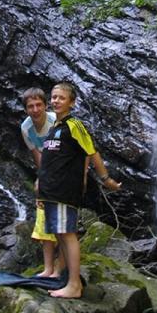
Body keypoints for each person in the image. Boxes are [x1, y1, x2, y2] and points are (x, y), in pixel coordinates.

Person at [38, 81, 121, 298]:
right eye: (54, 97)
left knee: (68, 234)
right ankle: (64, 276)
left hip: (64, 191)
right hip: (51, 191)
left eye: (61, 98)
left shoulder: (74, 125)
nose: (56, 101)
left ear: (72, 103)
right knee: (59, 233)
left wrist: (106, 179)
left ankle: (75, 285)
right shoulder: (55, 127)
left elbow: (91, 151)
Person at [20, 86, 59, 277]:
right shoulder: (26, 128)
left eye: (38, 105)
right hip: (48, 172)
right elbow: (38, 156)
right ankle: (48, 268)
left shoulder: (56, 122)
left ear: (45, 105)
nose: (35, 110)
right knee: (44, 221)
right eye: (30, 106)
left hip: (64, 170)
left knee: (63, 225)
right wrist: (41, 179)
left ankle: (60, 268)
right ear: (26, 109)